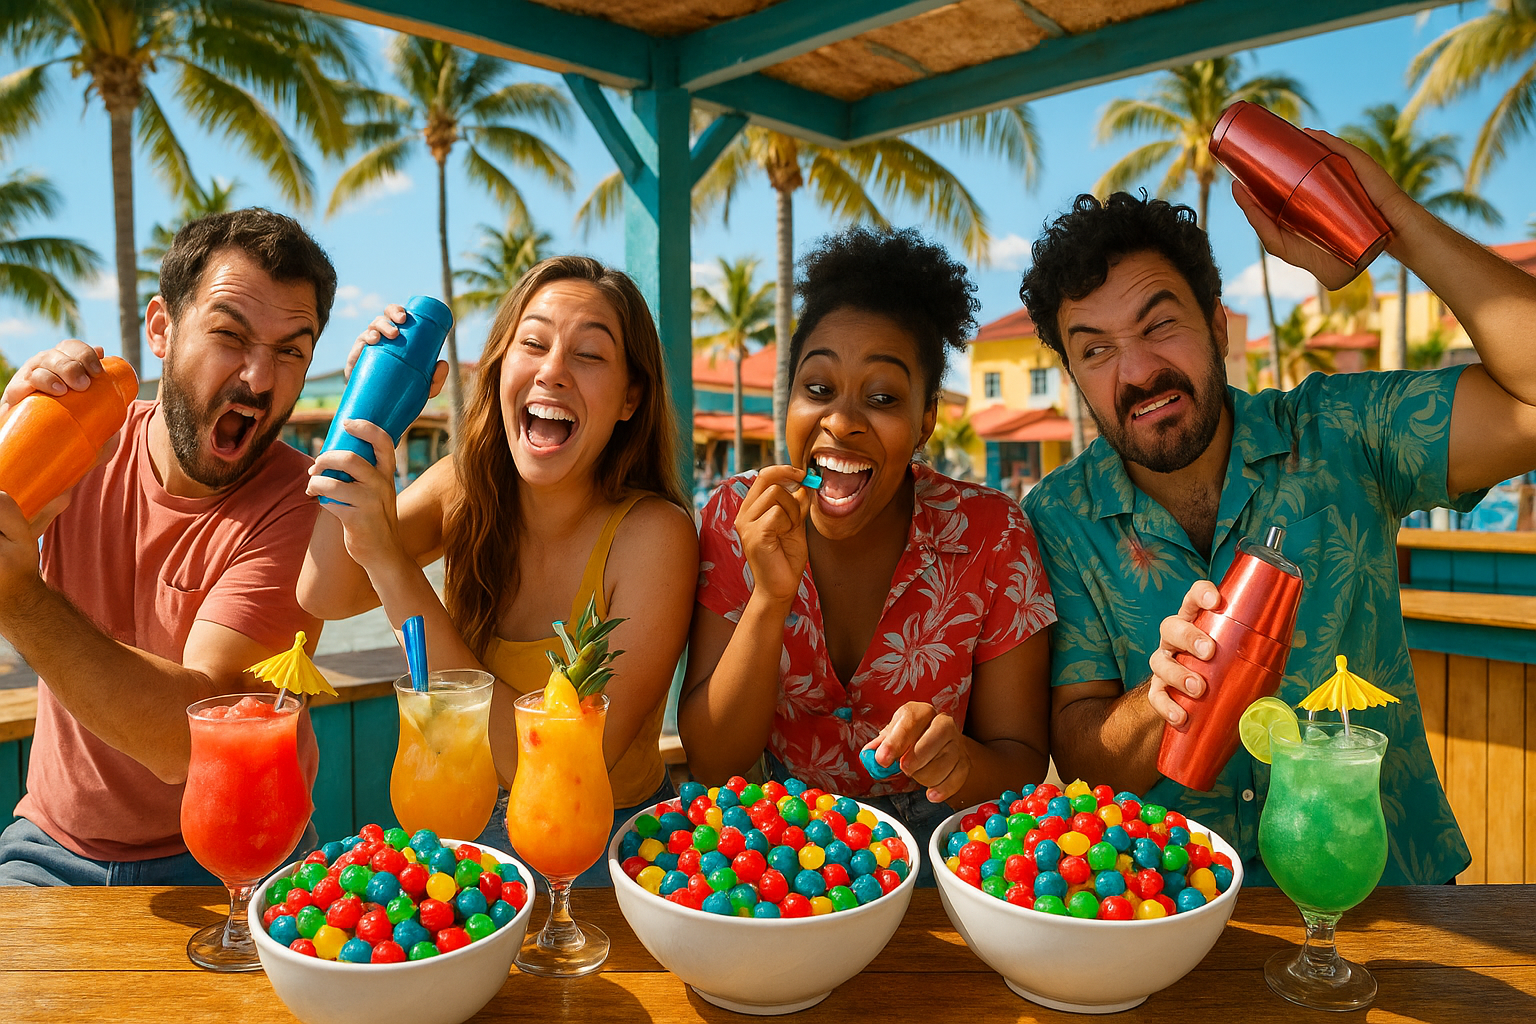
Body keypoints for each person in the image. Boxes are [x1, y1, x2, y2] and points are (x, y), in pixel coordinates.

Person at [1020, 130, 1536, 887]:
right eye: (1094, 350)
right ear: (1072, 373)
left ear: (1220, 327)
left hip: (1389, 897)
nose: (1136, 371)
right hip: (1176, 912)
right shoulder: (1060, 517)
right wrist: (1154, 699)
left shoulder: (1344, 434)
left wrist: (1390, 218)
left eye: (1160, 323)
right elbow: (1083, 756)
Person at [299, 256, 697, 886]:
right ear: (499, 368)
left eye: (589, 355)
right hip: (467, 836)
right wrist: (368, 414)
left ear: (630, 398)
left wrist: (388, 560)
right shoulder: (464, 486)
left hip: (606, 853)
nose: (553, 371)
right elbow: (322, 590)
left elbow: (558, 768)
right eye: (532, 343)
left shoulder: (655, 536)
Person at [681, 227, 1056, 879]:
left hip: (952, 850)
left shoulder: (994, 536)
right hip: (776, 849)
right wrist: (771, 597)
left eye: (882, 398)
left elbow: (1021, 759)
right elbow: (714, 761)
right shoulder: (732, 520)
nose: (842, 420)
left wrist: (960, 762)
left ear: (926, 420)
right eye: (818, 389)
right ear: (789, 399)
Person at [0, 209, 337, 886]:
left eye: (290, 351)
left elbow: (192, 738)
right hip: (51, 847)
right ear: (161, 328)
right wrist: (12, 451)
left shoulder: (305, 505)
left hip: (244, 854)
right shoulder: (82, 442)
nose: (259, 378)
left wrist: (18, 601)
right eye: (229, 335)